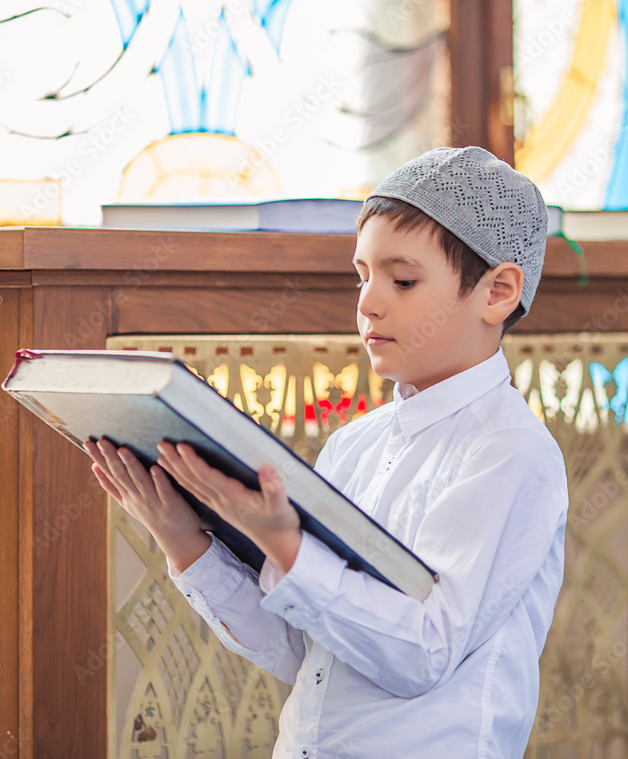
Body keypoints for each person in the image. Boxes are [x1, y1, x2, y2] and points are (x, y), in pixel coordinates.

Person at [85, 146, 569, 758]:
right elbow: (303, 647)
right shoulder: (355, 444)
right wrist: (186, 540)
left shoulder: (510, 452)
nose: (369, 302)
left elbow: (423, 652)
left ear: (497, 291)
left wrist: (283, 542)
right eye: (362, 275)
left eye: (403, 280)